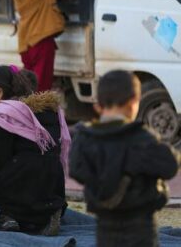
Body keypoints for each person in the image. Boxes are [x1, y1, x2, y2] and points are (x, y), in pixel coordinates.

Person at [69, 70, 181, 247]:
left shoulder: (85, 138)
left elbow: (76, 169)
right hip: (141, 224)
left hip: (105, 222)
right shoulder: (142, 138)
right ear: (134, 103)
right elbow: (170, 166)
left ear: (98, 105)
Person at [0, 65, 69, 235]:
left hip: (25, 187)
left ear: (0, 90)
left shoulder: (5, 113)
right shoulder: (52, 111)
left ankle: (7, 215)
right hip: (53, 191)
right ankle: (46, 215)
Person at [5, 0, 81, 92]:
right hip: (41, 39)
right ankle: (36, 115)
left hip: (25, 41)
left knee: (28, 88)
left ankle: (26, 113)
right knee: (41, 89)